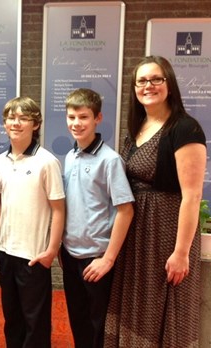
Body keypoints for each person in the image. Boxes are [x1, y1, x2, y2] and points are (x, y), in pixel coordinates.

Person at [104, 56, 207, 347]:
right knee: (135, 301)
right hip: (136, 231)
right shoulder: (136, 128)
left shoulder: (185, 128)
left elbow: (192, 196)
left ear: (169, 84)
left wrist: (182, 252)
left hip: (165, 232)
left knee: (163, 305)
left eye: (156, 79)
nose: (148, 86)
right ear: (134, 88)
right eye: (142, 81)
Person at [59, 88, 134, 348]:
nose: (76, 123)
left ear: (97, 118)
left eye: (83, 117)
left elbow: (126, 210)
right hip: (70, 256)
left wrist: (108, 259)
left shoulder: (110, 160)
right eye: (71, 117)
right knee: (78, 321)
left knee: (99, 328)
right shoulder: (69, 157)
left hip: (97, 259)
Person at [0, 96, 65, 347]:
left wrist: (51, 251)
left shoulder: (47, 162)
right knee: (12, 318)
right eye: (12, 117)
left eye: (23, 118)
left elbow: (58, 209)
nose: (16, 122)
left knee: (36, 322)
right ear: (5, 123)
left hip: (34, 255)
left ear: (35, 124)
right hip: (5, 251)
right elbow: (3, 202)